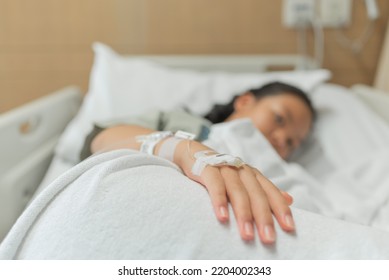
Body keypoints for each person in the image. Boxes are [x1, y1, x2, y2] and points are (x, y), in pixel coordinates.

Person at [81, 82, 316, 245]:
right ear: (244, 101)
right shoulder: (185, 125)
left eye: (292, 143)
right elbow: (102, 139)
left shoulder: (288, 173)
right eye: (279, 119)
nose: (281, 139)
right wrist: (184, 149)